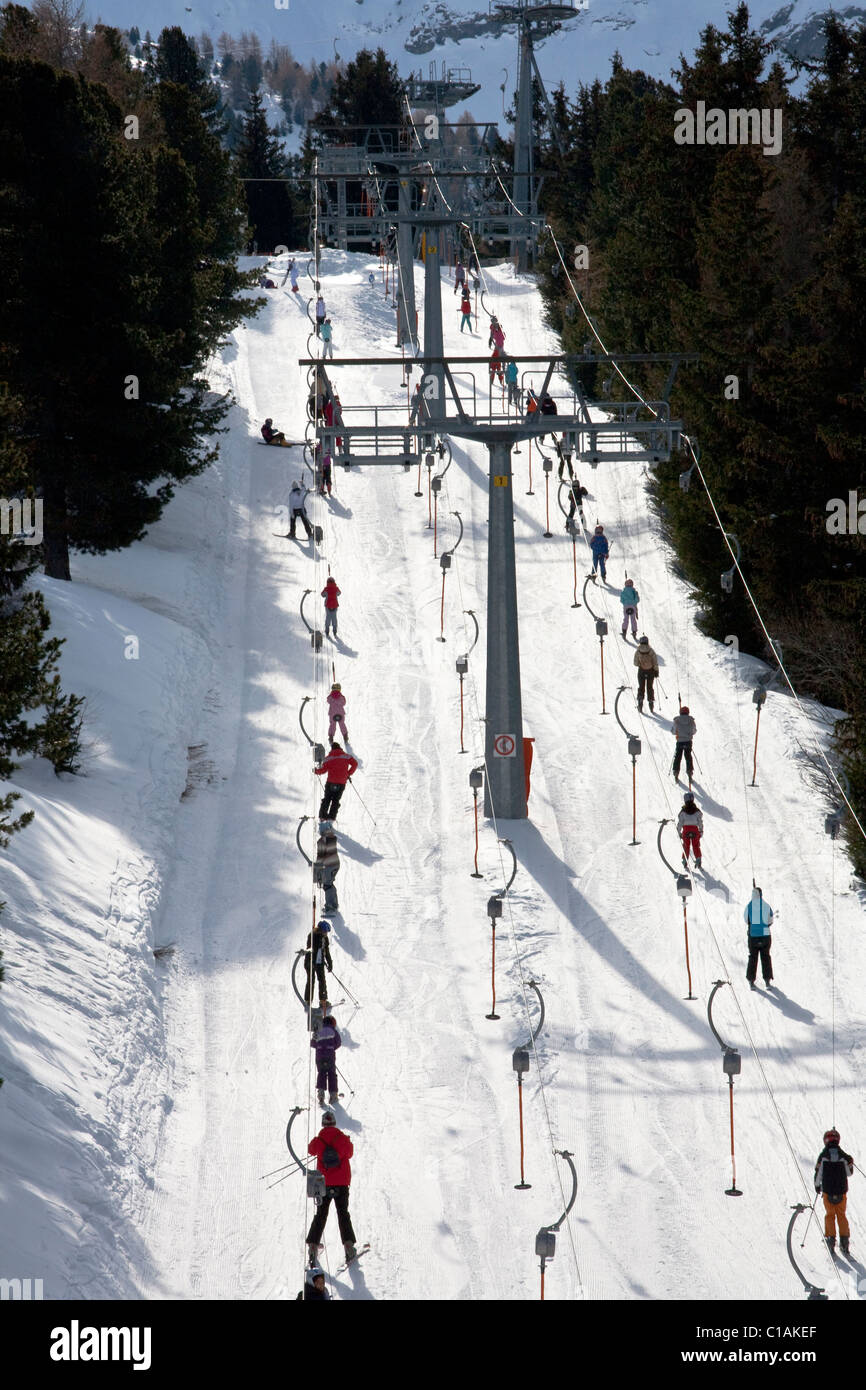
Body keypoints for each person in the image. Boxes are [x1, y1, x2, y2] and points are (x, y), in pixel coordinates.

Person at [307, 1111, 357, 1265]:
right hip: (341, 1183)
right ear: (334, 1123)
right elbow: (350, 1152)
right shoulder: (342, 1138)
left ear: (323, 1124)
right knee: (343, 1213)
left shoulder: (319, 1139)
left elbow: (310, 1149)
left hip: (324, 1182)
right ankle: (348, 1246)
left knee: (321, 1214)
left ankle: (313, 1246)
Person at [814, 1128, 854, 1254]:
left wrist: (817, 1186)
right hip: (841, 1192)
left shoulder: (823, 1156)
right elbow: (849, 1173)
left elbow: (818, 1173)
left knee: (830, 1215)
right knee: (841, 1215)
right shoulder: (843, 1157)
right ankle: (844, 1241)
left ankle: (831, 1239)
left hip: (828, 1192)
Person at [314, 743, 359, 822]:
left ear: (332, 749)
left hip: (330, 782)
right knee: (336, 800)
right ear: (340, 748)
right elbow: (355, 764)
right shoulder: (346, 756)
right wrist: (348, 773)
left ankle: (322, 817)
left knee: (327, 799)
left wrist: (316, 771)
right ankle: (331, 818)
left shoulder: (328, 758)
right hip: (341, 783)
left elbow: (323, 770)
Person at [743, 886, 774, 989]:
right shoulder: (766, 906)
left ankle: (751, 980)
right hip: (765, 935)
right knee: (765, 956)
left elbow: (746, 920)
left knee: (753, 957)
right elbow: (770, 920)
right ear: (760, 895)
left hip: (753, 936)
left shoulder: (749, 906)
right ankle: (767, 980)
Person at [311, 1013, 341, 1106]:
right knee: (332, 1074)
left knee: (322, 1073)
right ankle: (333, 1096)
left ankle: (321, 1095)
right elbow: (338, 1042)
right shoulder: (333, 1031)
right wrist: (332, 1047)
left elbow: (313, 1044)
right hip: (330, 1056)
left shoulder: (317, 1031)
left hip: (319, 1057)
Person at [303, 920, 333, 1007]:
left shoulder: (325, 938)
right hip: (310, 961)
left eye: (326, 932)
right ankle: (308, 1001)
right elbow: (312, 948)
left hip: (319, 962)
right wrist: (319, 942)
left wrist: (330, 963)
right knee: (311, 980)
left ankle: (323, 1000)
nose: (326, 934)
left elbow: (326, 951)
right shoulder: (312, 935)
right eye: (325, 932)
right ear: (320, 930)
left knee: (322, 980)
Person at [314, 821, 340, 914]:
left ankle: (331, 906)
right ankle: (334, 903)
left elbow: (320, 856)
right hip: (336, 864)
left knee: (327, 885)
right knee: (330, 883)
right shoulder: (332, 838)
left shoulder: (321, 841)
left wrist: (317, 870)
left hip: (329, 865)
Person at [677, 793, 703, 867]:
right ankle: (698, 859)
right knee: (696, 845)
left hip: (686, 830)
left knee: (686, 845)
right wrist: (701, 831)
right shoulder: (697, 811)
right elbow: (700, 822)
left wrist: (678, 831)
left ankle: (685, 860)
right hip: (695, 830)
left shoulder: (683, 811)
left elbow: (680, 823)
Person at [633, 636, 659, 712]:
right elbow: (655, 662)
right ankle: (651, 705)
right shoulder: (651, 650)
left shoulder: (638, 650)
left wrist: (640, 664)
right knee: (650, 687)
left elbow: (635, 663)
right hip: (650, 671)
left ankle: (640, 704)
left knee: (641, 687)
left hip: (641, 671)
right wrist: (656, 671)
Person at [672, 705, 696, 781]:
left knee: (678, 757)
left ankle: (676, 772)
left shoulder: (676, 720)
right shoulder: (691, 720)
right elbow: (694, 731)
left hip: (679, 742)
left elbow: (673, 731)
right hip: (688, 741)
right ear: (688, 712)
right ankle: (689, 772)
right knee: (688, 756)